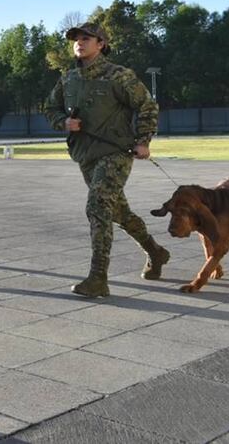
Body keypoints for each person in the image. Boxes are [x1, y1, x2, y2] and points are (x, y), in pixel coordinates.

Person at [43, 22, 170, 298]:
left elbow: (147, 105)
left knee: (97, 207)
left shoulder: (118, 76)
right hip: (85, 156)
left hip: (115, 154)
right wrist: (64, 122)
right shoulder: (68, 79)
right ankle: (156, 252)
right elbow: (50, 108)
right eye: (76, 38)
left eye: (86, 38)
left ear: (101, 44)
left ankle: (98, 277)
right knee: (119, 213)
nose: (79, 42)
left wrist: (143, 140)